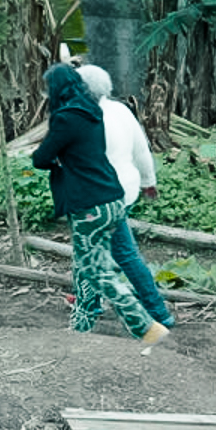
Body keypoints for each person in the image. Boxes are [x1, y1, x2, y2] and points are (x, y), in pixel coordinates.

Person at [32, 63, 168, 346]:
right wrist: (148, 180)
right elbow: (137, 150)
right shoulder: (96, 113)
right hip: (114, 198)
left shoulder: (67, 117)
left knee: (97, 270)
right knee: (88, 262)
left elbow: (41, 158)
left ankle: (147, 325)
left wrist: (59, 160)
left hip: (89, 205)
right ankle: (82, 325)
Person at [77, 64, 173, 330]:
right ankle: (95, 305)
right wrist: (148, 182)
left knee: (114, 253)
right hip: (125, 192)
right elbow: (141, 149)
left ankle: (156, 312)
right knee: (109, 251)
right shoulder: (120, 110)